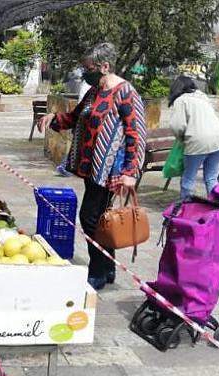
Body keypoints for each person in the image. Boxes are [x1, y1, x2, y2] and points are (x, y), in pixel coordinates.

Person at [37, 42, 146, 290]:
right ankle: (107, 268)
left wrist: (130, 173)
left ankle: (97, 270)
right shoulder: (94, 92)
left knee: (90, 218)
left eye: (89, 68)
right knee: (101, 219)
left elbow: (136, 134)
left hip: (112, 172)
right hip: (91, 168)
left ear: (105, 66)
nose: (84, 72)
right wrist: (54, 118)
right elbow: (76, 117)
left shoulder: (126, 93)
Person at [167, 76, 219, 198]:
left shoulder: (181, 100)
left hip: (198, 142)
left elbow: (177, 125)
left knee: (188, 177)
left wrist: (181, 138)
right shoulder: (203, 98)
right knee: (211, 177)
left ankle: (186, 207)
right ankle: (214, 206)